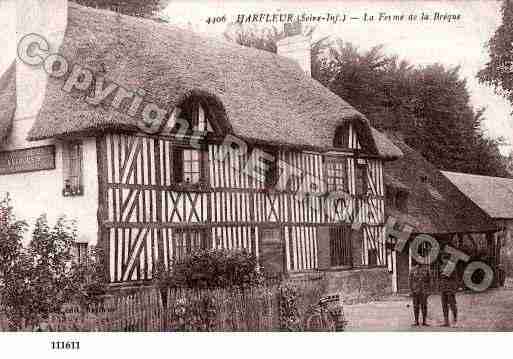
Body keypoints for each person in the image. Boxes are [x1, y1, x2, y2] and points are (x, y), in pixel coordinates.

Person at [409, 262, 431, 326]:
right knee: (416, 306)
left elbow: (429, 280)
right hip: (415, 291)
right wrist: (411, 290)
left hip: (424, 291)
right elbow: (410, 281)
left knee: (424, 306)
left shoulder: (426, 270)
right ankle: (416, 321)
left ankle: (424, 321)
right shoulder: (412, 270)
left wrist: (428, 290)